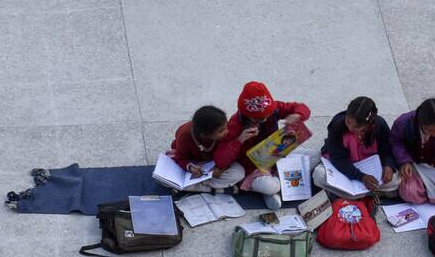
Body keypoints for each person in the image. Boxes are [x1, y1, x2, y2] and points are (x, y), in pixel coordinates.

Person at [214, 81, 319, 209]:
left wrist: (297, 115)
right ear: (246, 115)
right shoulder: (234, 124)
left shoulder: (273, 109)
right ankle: (278, 186)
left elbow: (302, 108)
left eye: (266, 117)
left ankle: (276, 187)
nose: (263, 120)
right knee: (271, 186)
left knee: (316, 156)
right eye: (257, 119)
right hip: (254, 168)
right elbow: (220, 160)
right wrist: (239, 140)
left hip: (277, 154)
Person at [313, 96, 399, 199]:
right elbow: (338, 159)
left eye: (357, 128)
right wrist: (361, 177)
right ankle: (366, 193)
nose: (350, 128)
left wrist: (388, 165)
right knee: (319, 175)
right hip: (345, 168)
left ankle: (347, 194)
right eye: (348, 122)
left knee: (396, 180)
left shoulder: (379, 125)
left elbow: (387, 150)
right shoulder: (337, 125)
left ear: (369, 126)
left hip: (369, 166)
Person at [167, 105, 246, 193]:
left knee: (239, 173)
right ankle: (214, 189)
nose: (226, 131)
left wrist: (221, 168)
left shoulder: (226, 133)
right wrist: (190, 168)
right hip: (194, 165)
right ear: (205, 134)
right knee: (166, 178)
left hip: (214, 165)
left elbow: (230, 153)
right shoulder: (184, 136)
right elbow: (180, 158)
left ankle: (192, 187)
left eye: (226, 127)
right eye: (221, 131)